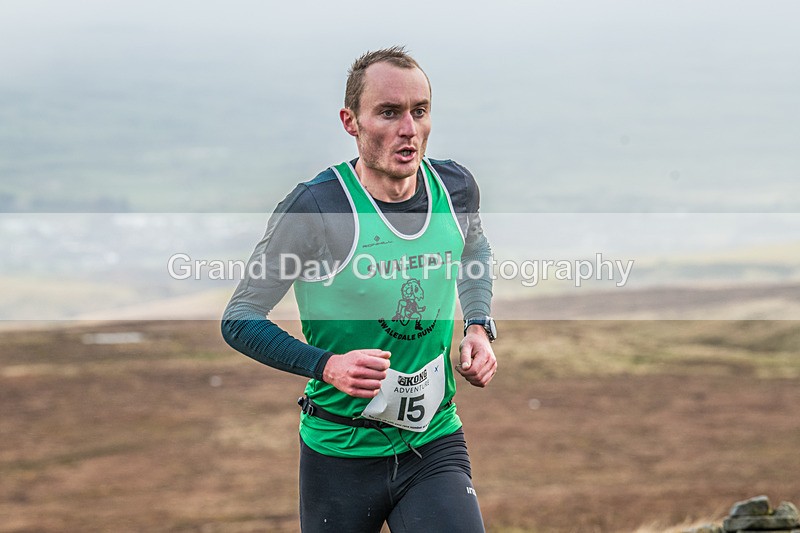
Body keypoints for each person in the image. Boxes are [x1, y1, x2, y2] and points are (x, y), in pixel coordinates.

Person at [221, 45, 497, 533]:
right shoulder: (315, 208)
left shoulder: (455, 188)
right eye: (389, 113)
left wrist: (478, 324)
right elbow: (240, 319)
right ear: (351, 122)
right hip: (339, 454)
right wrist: (327, 365)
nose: (408, 129)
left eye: (419, 111)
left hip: (432, 440)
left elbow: (472, 248)